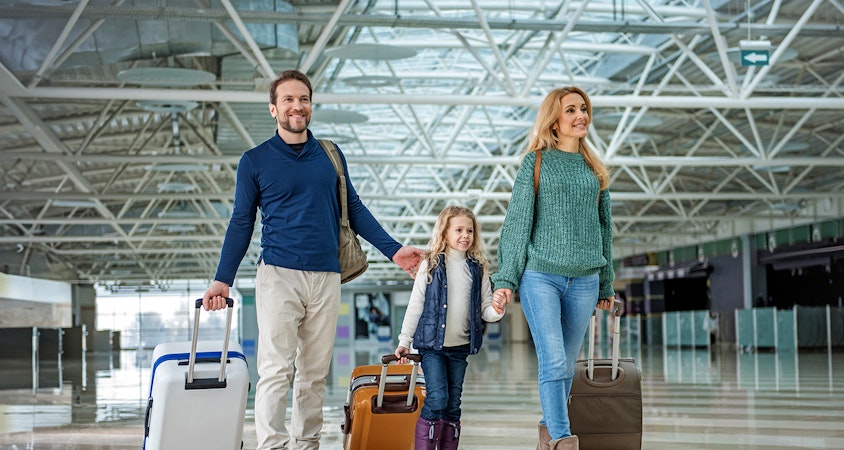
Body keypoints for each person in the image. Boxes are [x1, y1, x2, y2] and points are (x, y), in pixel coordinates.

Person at [200, 69, 424, 450]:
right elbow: (241, 222)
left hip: (326, 276)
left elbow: (353, 206)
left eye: (303, 99)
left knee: (314, 373)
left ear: (311, 105)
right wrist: (223, 278)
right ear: (273, 109)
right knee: (275, 370)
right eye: (287, 99)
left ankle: (306, 444)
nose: (296, 106)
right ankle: (271, 445)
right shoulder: (254, 161)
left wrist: (394, 250)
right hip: (279, 274)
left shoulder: (329, 155)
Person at [491, 86, 615, 450]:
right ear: (554, 121)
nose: (581, 116)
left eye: (584, 109)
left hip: (585, 279)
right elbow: (517, 222)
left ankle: (548, 431)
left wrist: (605, 284)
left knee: (567, 366)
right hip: (540, 276)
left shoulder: (595, 169)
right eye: (571, 110)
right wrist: (506, 279)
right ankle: (563, 440)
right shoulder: (536, 161)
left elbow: (605, 229)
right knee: (555, 360)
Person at [394, 205, 506, 450]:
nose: (465, 235)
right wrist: (404, 340)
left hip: (460, 348)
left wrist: (498, 309)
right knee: (437, 398)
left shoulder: (478, 269)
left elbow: (486, 309)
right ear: (444, 233)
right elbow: (416, 305)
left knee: (453, 405)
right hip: (432, 347)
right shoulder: (431, 265)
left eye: (469, 230)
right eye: (458, 230)